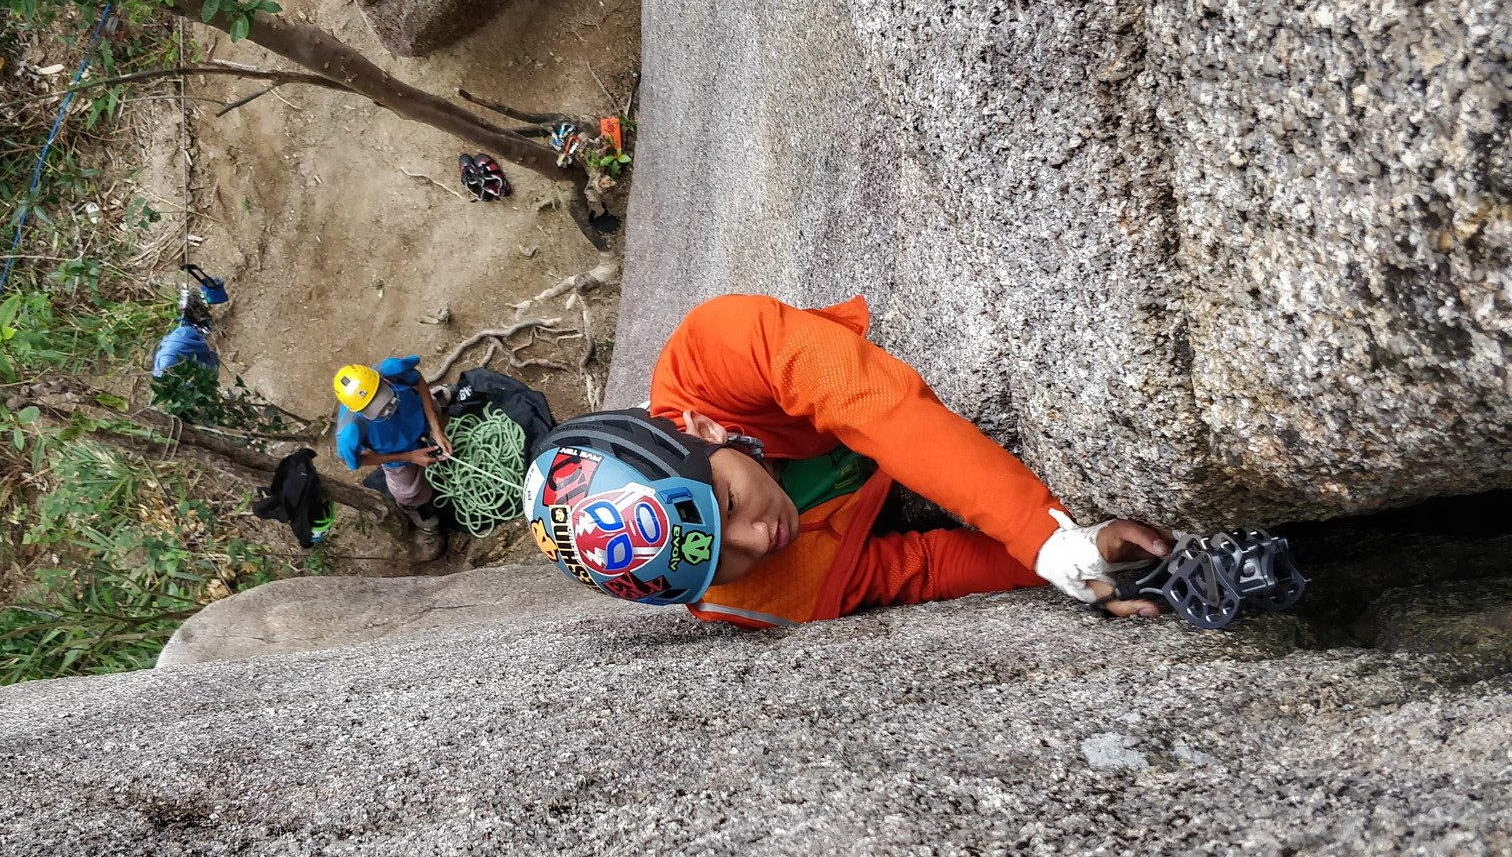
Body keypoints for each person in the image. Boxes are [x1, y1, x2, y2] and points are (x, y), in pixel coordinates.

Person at [524, 293, 1173, 630]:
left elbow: (872, 404)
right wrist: (1085, 563)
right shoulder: (747, 594)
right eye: (722, 559)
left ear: (702, 430)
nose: (760, 539)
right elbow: (915, 570)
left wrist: (1043, 537)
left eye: (728, 504)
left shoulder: (717, 351)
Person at [334, 357, 453, 534]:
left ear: (382, 381)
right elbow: (356, 461)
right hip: (397, 452)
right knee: (408, 492)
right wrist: (408, 457)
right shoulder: (349, 432)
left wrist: (435, 428)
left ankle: (437, 403)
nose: (387, 409)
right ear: (358, 410)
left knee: (435, 409)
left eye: (383, 397)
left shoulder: (392, 370)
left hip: (420, 418)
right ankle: (413, 507)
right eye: (376, 409)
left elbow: (418, 379)